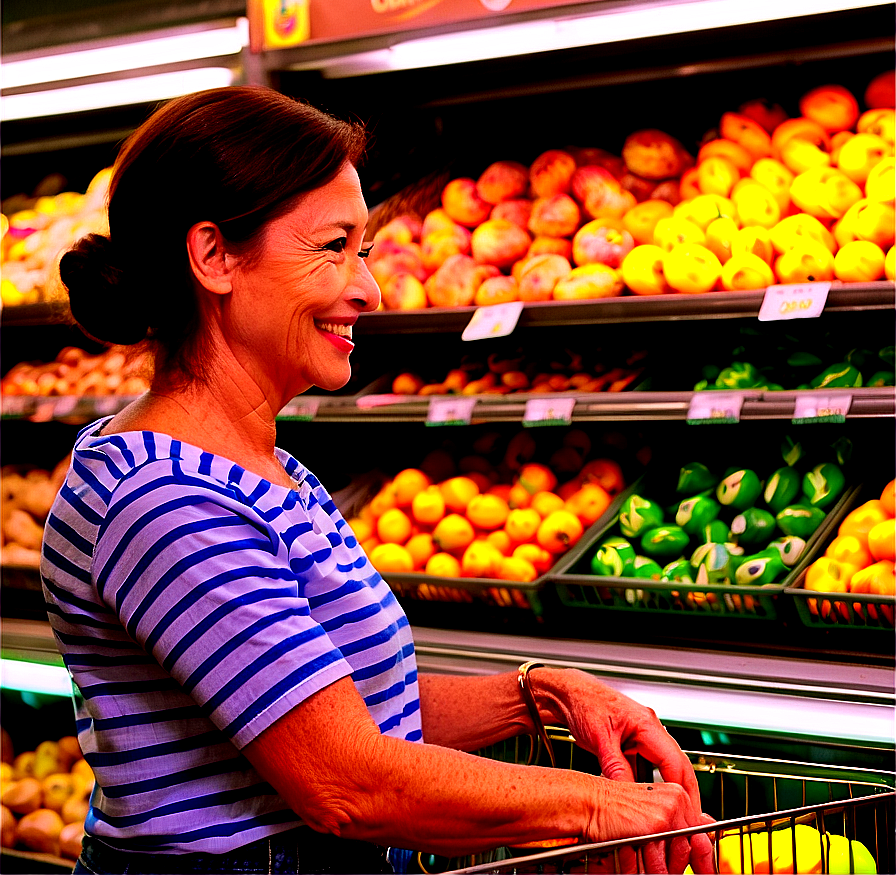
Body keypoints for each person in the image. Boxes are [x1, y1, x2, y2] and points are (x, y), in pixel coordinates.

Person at [42, 85, 714, 875]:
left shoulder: (265, 471)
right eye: (334, 248)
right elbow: (345, 781)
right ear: (214, 257)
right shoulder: (163, 499)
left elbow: (353, 716)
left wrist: (542, 693)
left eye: (364, 249)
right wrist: (594, 804)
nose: (370, 288)